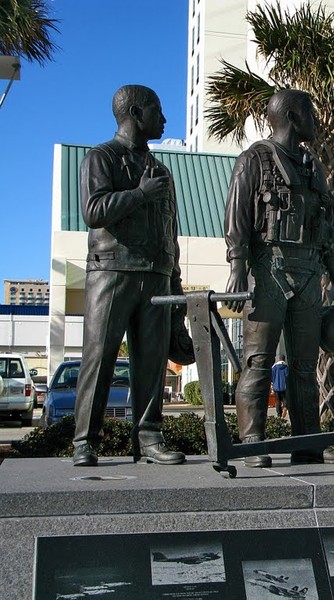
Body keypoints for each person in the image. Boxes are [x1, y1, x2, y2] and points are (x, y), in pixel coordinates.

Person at [223, 88, 334, 467]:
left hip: (310, 272)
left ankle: (307, 442)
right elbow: (237, 220)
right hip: (269, 270)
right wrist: (237, 269)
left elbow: (326, 227)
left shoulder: (314, 167)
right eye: (309, 112)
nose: (315, 119)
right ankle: (253, 442)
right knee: (258, 362)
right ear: (293, 117)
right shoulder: (254, 160)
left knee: (304, 365)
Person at [72, 85, 186, 467]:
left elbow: (171, 232)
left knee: (152, 362)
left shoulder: (161, 170)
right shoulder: (100, 157)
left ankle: (149, 437)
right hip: (111, 272)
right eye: (158, 110)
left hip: (156, 274)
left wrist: (176, 282)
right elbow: (93, 210)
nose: (165, 119)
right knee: (99, 356)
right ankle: (85, 441)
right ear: (136, 113)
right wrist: (140, 194)